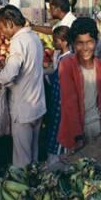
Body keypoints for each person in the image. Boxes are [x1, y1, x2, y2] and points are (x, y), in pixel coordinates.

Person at [0, 5, 46, 168]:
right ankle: (36, 186)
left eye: (2, 28)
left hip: (23, 109)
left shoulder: (18, 41)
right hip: (37, 106)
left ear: (10, 23)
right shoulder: (34, 37)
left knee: (22, 160)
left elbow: (10, 74)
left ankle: (23, 190)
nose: (2, 32)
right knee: (33, 155)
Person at [58, 18, 101, 153]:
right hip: (76, 130)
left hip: (96, 125)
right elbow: (69, 103)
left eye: (89, 42)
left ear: (96, 41)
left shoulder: (100, 65)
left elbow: (98, 98)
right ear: (73, 44)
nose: (85, 48)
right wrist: (78, 137)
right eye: (80, 43)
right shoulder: (66, 65)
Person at [45, 26, 72, 164]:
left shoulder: (66, 60)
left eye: (56, 41)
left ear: (65, 42)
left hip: (61, 101)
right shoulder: (65, 58)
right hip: (58, 100)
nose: (53, 44)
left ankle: (56, 160)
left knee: (58, 130)